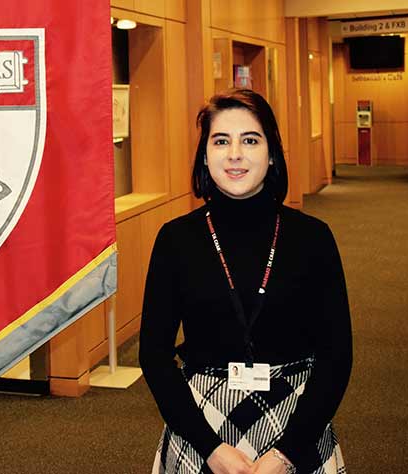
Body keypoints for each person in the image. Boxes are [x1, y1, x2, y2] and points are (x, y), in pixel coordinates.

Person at [139, 89, 352, 474]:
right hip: (201, 426)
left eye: (250, 140)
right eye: (221, 141)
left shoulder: (313, 238)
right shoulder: (176, 239)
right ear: (205, 155)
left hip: (297, 421)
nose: (234, 153)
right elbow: (153, 355)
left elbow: (337, 357)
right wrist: (212, 449)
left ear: (271, 155)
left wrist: (285, 454)